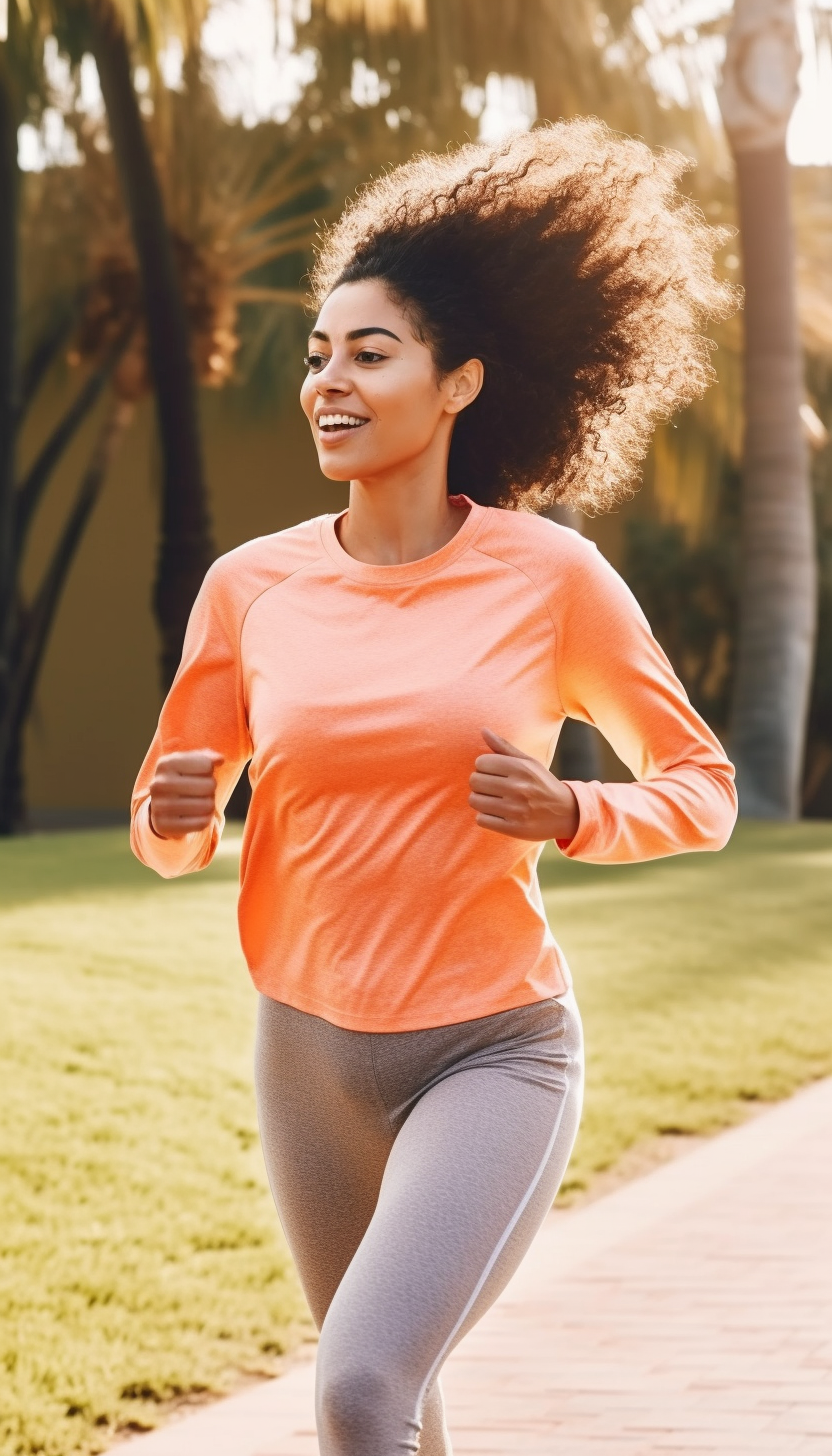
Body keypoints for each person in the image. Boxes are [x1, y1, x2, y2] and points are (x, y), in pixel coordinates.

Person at [131, 117, 739, 1456]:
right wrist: (176, 823)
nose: (328, 382)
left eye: (370, 352)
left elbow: (702, 786)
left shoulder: (549, 578)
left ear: (457, 384)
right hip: (306, 1054)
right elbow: (166, 832)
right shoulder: (251, 590)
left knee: (357, 1391)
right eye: (317, 354)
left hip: (493, 1048)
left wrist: (577, 812)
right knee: (402, 1404)